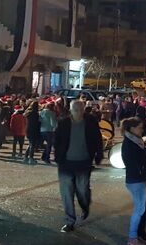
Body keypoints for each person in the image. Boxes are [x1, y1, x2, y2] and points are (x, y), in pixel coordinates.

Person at [54, 100, 103, 233]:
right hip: (66, 163)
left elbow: (97, 139)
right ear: (71, 110)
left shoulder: (90, 122)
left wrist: (99, 154)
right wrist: (58, 156)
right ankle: (70, 221)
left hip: (83, 162)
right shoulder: (63, 123)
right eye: (75, 110)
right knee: (67, 193)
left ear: (83, 110)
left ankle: (85, 205)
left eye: (80, 109)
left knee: (82, 190)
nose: (78, 112)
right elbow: (56, 140)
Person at [122, 117, 146, 245]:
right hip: (137, 180)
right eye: (140, 127)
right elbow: (134, 162)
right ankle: (132, 237)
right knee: (140, 209)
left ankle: (140, 230)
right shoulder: (130, 144)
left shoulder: (137, 141)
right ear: (132, 128)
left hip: (144, 178)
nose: (142, 130)